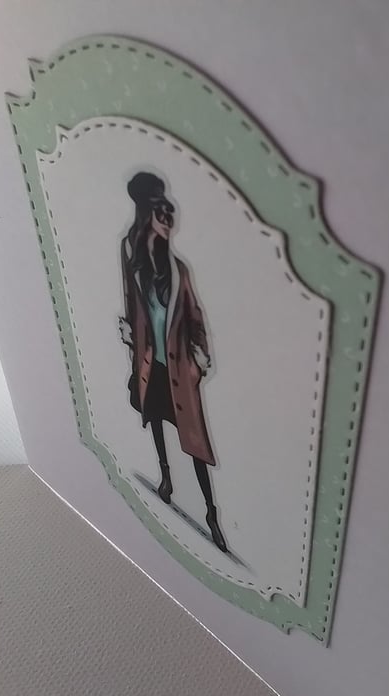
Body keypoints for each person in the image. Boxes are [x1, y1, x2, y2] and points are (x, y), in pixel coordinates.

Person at [118, 171, 227, 552]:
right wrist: (129, 334)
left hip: (180, 368)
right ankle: (165, 478)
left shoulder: (178, 270)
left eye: (170, 214)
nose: (168, 220)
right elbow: (131, 307)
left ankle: (211, 513)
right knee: (155, 419)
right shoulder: (133, 262)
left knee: (195, 444)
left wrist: (201, 358)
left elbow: (195, 318)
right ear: (147, 214)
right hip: (152, 363)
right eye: (161, 213)